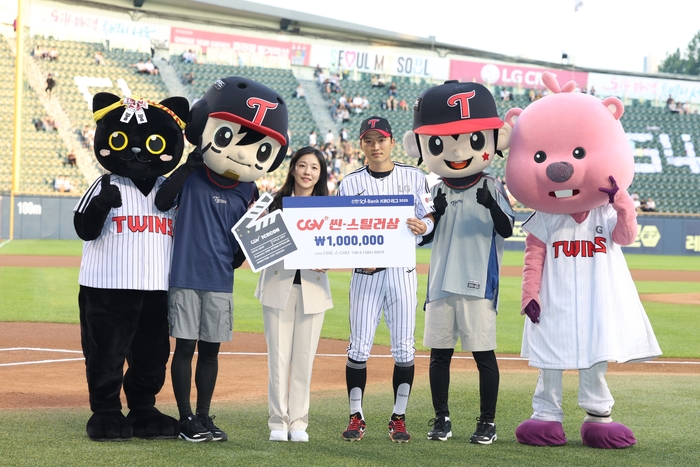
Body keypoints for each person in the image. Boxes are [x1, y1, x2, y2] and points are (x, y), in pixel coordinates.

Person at [155, 76, 289, 444]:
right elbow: (162, 201)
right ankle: (185, 417)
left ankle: (203, 415)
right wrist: (187, 165)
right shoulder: (193, 175)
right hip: (185, 275)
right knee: (185, 347)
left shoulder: (249, 189)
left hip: (219, 280)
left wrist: (252, 246)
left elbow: (241, 248)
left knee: (211, 352)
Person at [405, 81, 514, 445]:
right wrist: (431, 217)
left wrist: (491, 205)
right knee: (439, 356)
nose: (456, 151)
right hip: (440, 284)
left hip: (478, 284)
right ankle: (442, 419)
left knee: (484, 355)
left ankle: (487, 422)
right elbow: (424, 237)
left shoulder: (493, 186)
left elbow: (507, 229)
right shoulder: (435, 189)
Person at [338, 116, 435, 443]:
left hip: (401, 272)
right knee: (359, 346)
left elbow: (429, 218)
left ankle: (399, 417)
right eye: (368, 140)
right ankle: (356, 415)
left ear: (392, 142)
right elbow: (341, 229)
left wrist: (425, 227)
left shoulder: (414, 176)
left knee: (404, 348)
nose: (375, 146)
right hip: (365, 274)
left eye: (381, 140)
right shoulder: (349, 183)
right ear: (361, 144)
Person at [255, 147, 333, 443]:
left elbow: (336, 246)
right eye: (302, 165)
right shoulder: (274, 203)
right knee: (278, 357)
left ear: (320, 174)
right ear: (292, 169)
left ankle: (298, 421)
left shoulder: (329, 208)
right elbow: (258, 244)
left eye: (314, 167)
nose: (307, 172)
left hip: (313, 289)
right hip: (278, 287)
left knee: (303, 359)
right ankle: (278, 421)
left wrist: (328, 260)